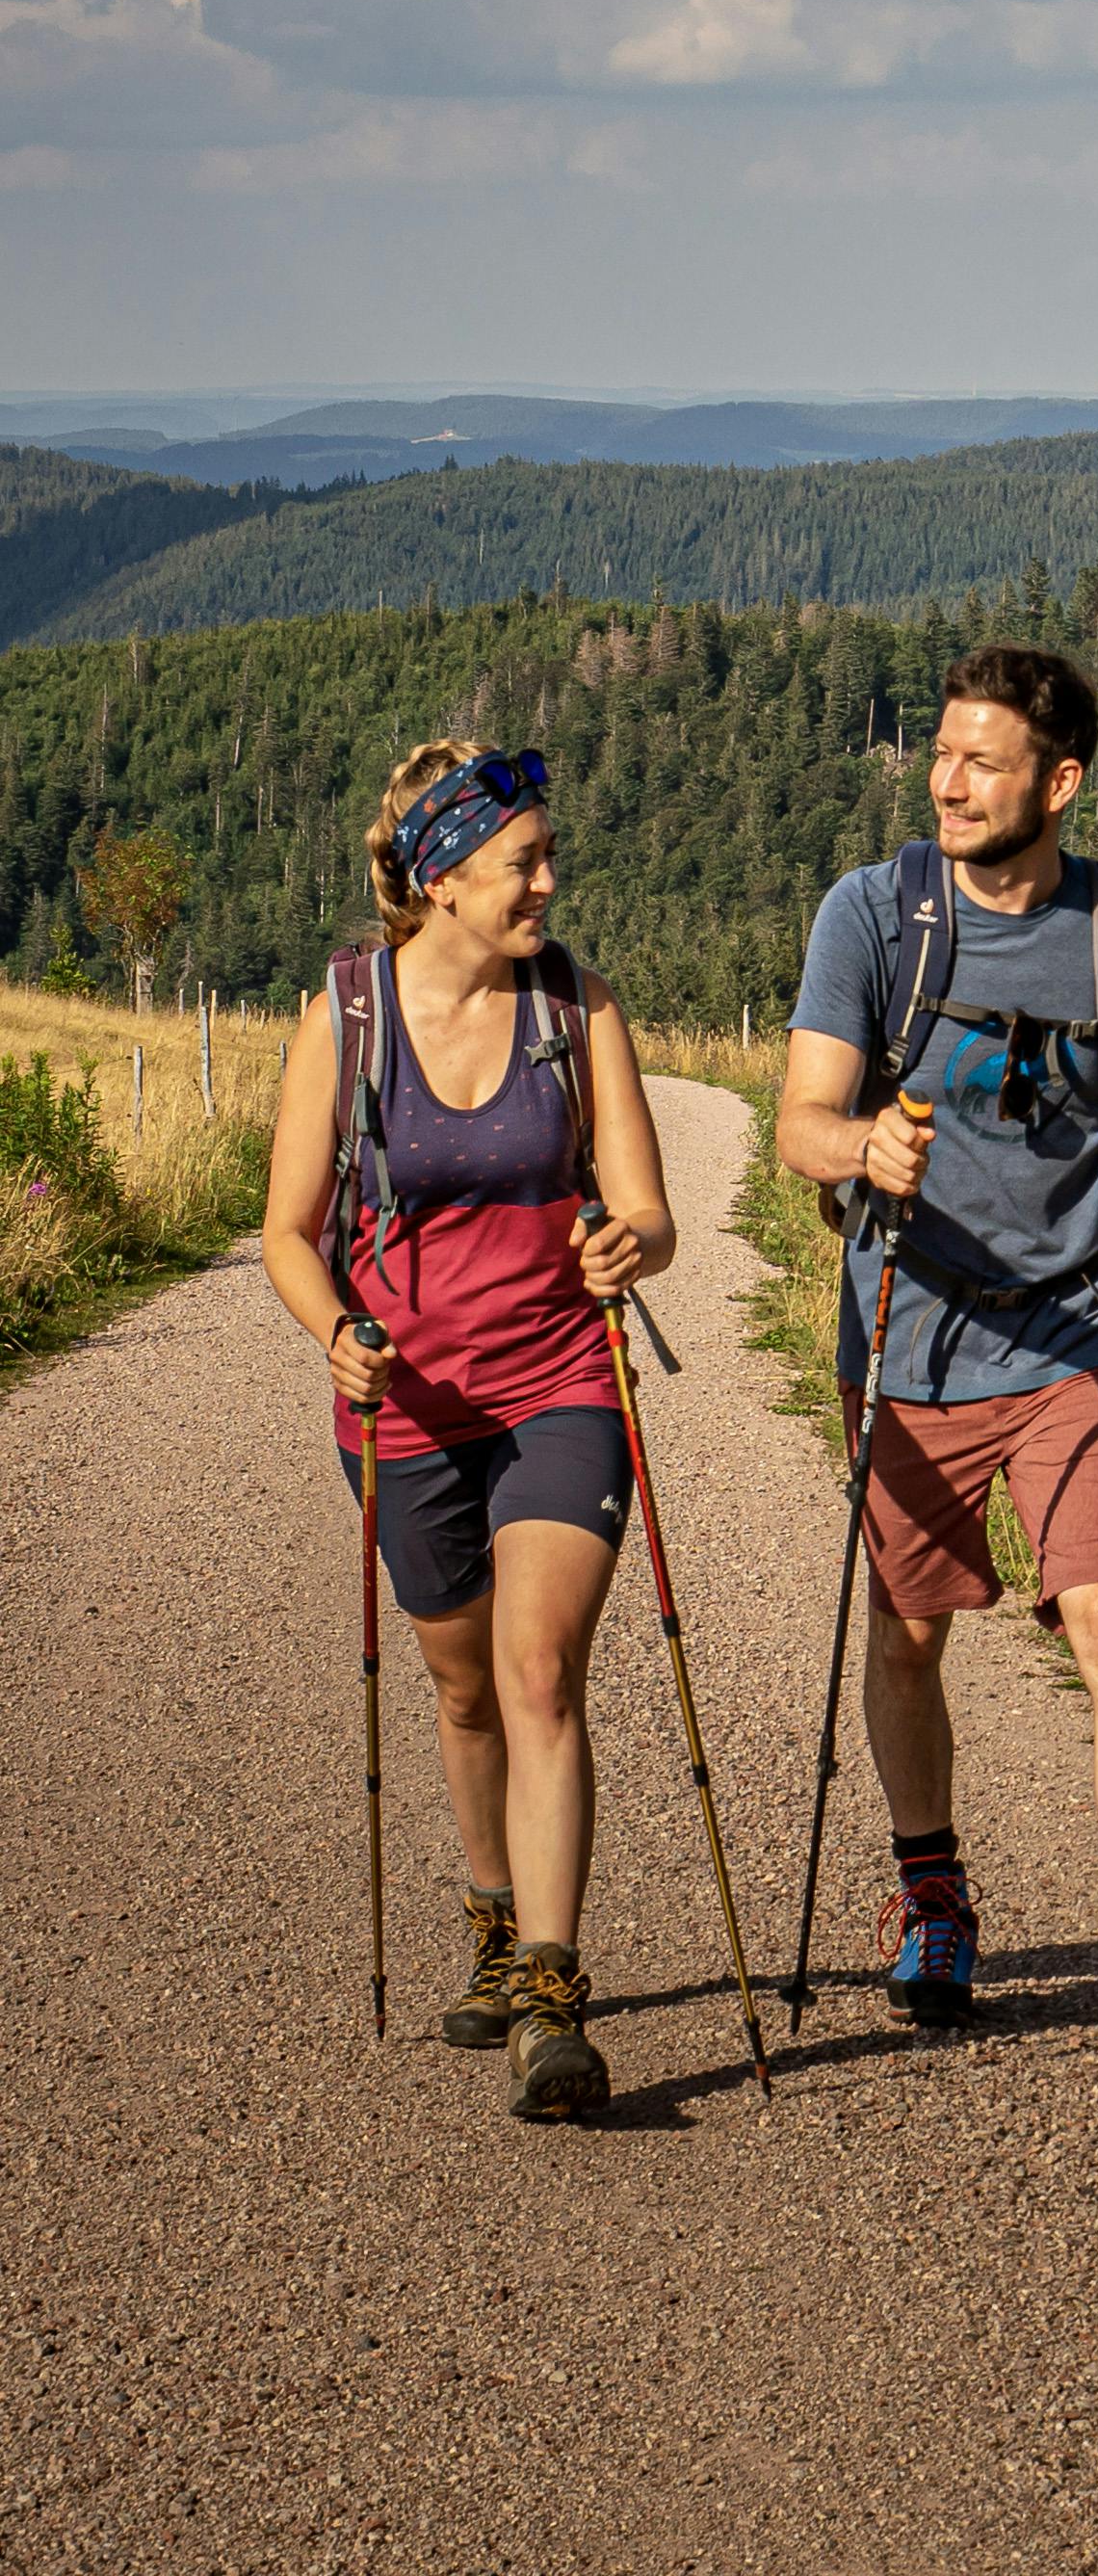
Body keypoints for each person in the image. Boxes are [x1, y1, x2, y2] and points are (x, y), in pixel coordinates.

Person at [775, 643, 1098, 2094]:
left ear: (1061, 781)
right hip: (909, 1339)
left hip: (1077, 1334)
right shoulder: (875, 914)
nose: (949, 781)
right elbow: (798, 1124)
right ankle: (934, 1898)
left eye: (983, 760)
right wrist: (865, 1147)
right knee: (912, 1635)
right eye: (943, 755)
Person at [263, 739, 679, 2122]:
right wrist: (337, 1332)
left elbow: (648, 1208)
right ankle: (495, 1919)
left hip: (563, 1382)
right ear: (440, 878)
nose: (548, 885)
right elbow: (288, 1229)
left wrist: (628, 1245)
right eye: (523, 864)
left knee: (539, 1665)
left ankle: (553, 1997)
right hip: (405, 1408)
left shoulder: (576, 1005)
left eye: (547, 858)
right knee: (461, 1689)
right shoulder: (347, 1014)